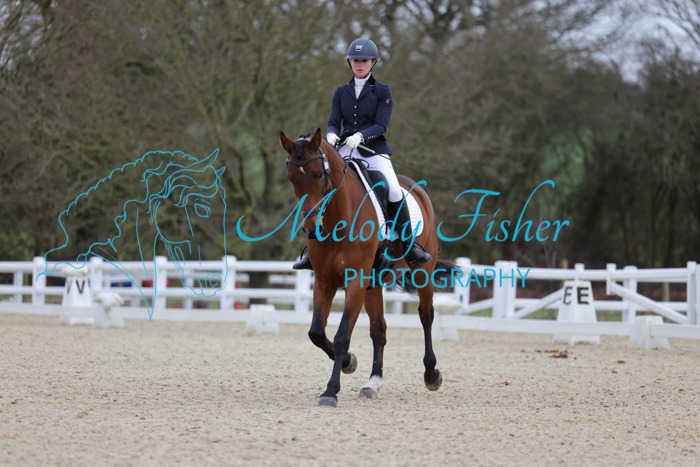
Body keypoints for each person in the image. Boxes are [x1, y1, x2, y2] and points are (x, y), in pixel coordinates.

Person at [293, 37, 432, 270]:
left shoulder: (382, 91)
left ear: (373, 63)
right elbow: (334, 121)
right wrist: (331, 134)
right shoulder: (341, 92)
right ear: (350, 63)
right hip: (345, 151)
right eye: (356, 60)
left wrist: (361, 136)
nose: (359, 64)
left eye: (364, 61)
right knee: (321, 187)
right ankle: (313, 248)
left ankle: (410, 246)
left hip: (373, 151)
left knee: (394, 190)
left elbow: (381, 125)